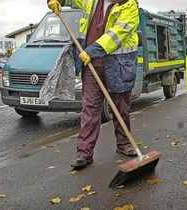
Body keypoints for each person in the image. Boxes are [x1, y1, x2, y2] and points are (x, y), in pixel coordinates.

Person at [47, 0, 140, 169]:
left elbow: (117, 34)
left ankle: (124, 144)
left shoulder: (130, 6)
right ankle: (84, 153)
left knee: (121, 108)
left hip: (118, 65)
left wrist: (91, 51)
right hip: (90, 66)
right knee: (89, 109)